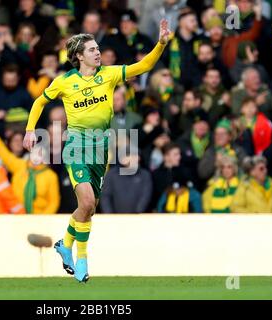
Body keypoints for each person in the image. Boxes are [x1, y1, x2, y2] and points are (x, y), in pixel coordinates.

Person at [23, 20, 171, 282]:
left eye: (97, 48)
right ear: (79, 56)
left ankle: (64, 244)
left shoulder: (109, 75)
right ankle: (82, 260)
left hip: (101, 150)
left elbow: (144, 66)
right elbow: (39, 101)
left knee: (87, 210)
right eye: (91, 50)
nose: (97, 52)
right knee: (88, 202)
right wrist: (30, 129)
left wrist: (160, 44)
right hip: (77, 147)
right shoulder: (64, 82)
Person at [0, 135, 60, 214]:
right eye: (34, 153)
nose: (36, 157)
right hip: (18, 215)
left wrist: (43, 218)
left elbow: (54, 202)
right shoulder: (21, 166)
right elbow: (6, 156)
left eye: (40, 155)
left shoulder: (50, 176)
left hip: (40, 218)